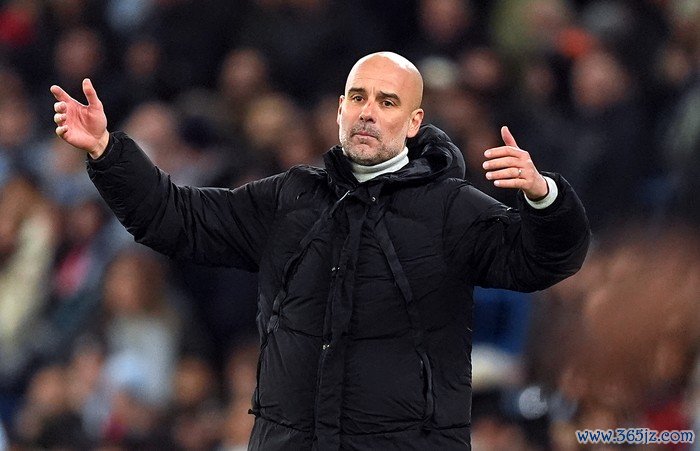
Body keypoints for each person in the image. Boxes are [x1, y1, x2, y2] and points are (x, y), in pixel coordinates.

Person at [51, 52, 590, 450]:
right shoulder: (290, 197)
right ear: (338, 110)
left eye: (387, 101)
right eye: (358, 97)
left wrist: (544, 197)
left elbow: (542, 261)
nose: (368, 112)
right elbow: (177, 218)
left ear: (415, 122)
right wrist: (107, 150)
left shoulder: (452, 209)